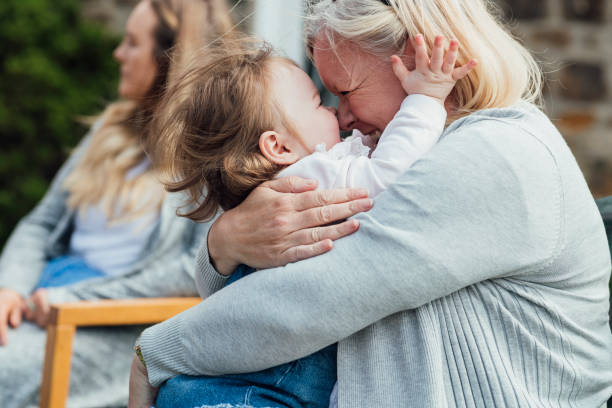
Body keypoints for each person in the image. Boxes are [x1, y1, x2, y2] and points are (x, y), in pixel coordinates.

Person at [130, 0, 612, 407]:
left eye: (343, 90)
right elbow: (263, 291)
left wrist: (156, 352)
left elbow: (308, 302)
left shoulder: (496, 155)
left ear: (415, 56)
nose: (341, 117)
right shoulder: (397, 153)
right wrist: (226, 241)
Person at [142, 34, 474, 408]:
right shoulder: (309, 177)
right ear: (278, 147)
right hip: (256, 394)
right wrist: (426, 100)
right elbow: (389, 175)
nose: (336, 113)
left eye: (343, 93)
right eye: (319, 103)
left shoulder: (283, 182)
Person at [0, 0, 237, 406]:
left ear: (168, 61)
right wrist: (8, 288)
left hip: (106, 325)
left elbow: (191, 269)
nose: (118, 53)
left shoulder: (210, 156)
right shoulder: (111, 129)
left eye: (131, 43)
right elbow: (41, 224)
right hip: (42, 303)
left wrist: (74, 301)